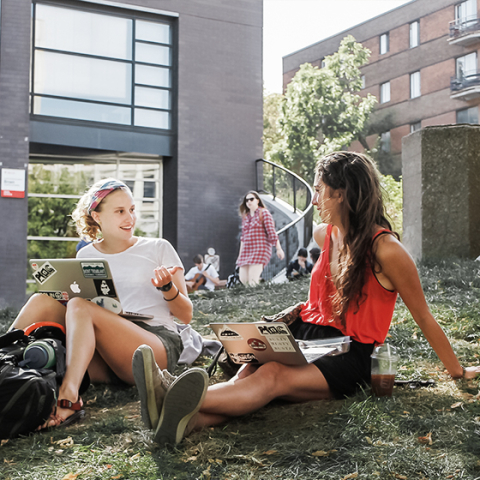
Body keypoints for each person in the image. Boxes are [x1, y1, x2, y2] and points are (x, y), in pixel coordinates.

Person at [133, 151, 480, 446]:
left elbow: (424, 317)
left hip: (349, 353)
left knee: (272, 377)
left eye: (319, 191)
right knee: (250, 368)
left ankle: (173, 398)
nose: (313, 200)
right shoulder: (324, 233)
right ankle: (184, 423)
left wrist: (458, 370)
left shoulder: (387, 250)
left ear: (342, 194)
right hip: (304, 334)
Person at [9, 178, 193, 429]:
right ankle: (4, 363)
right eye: (120, 211)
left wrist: (167, 288)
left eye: (131, 210)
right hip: (103, 353)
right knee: (41, 300)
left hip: (153, 348)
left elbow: (186, 315)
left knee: (79, 307)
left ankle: (69, 396)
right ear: (97, 216)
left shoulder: (158, 248)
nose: (129, 218)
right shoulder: (86, 255)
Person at [236, 191, 285, 285]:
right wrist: (240, 255)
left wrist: (278, 248)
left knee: (252, 281)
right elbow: (243, 238)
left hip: (260, 249)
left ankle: (255, 296)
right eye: (246, 200)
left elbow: (271, 232)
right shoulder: (246, 217)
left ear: (257, 200)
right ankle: (260, 287)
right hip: (246, 251)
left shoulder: (264, 213)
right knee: (243, 279)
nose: (249, 202)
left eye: (251, 199)